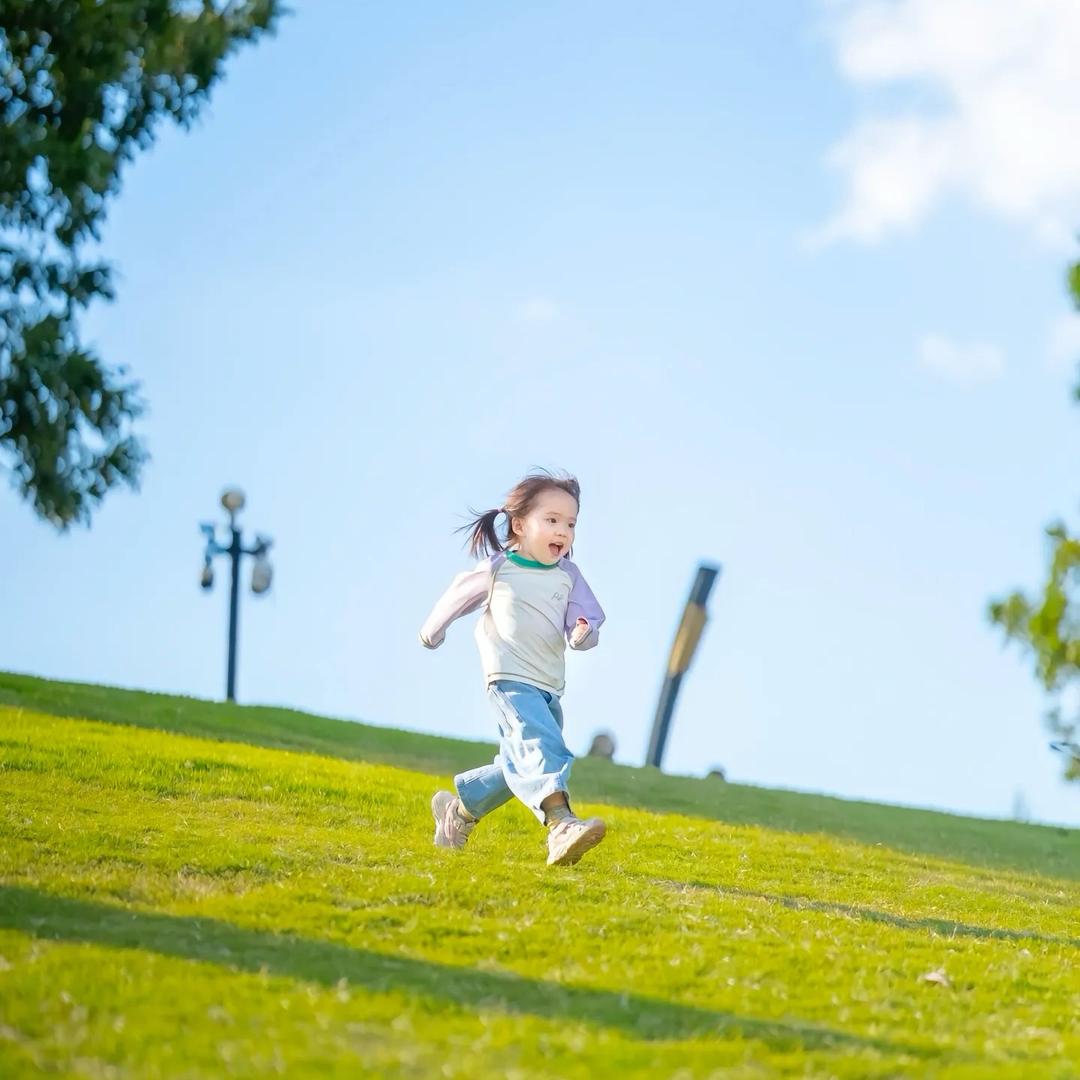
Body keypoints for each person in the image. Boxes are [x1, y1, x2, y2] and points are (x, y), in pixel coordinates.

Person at [418, 470, 607, 866]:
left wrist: (582, 634)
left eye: (570, 524)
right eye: (552, 520)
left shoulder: (569, 577)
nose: (563, 531)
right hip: (508, 678)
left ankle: (459, 812)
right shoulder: (500, 567)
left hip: (549, 684)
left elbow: (583, 624)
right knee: (540, 747)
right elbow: (458, 595)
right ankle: (560, 825)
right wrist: (433, 631)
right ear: (519, 525)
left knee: (519, 762)